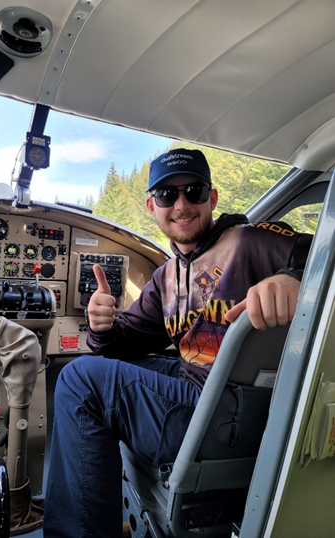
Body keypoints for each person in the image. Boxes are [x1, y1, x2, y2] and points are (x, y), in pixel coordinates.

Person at [44, 148, 312, 538]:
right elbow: (122, 345)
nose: (182, 204)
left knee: (79, 381)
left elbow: (323, 253)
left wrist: (293, 275)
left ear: (213, 198)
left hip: (226, 413)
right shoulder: (167, 277)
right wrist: (102, 327)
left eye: (194, 191)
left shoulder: (251, 242)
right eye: (168, 196)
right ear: (152, 206)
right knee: (85, 373)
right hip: (193, 392)